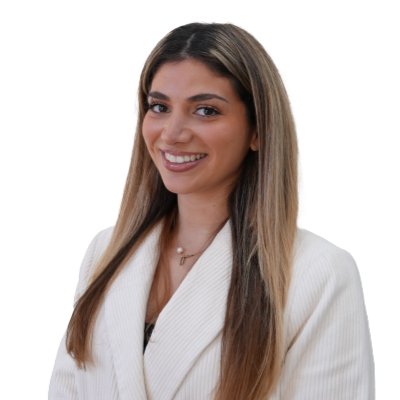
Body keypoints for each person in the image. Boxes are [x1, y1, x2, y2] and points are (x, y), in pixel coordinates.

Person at [48, 21, 375, 400]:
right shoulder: (105, 253)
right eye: (159, 107)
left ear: (257, 130)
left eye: (205, 110)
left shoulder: (318, 275)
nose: (171, 133)